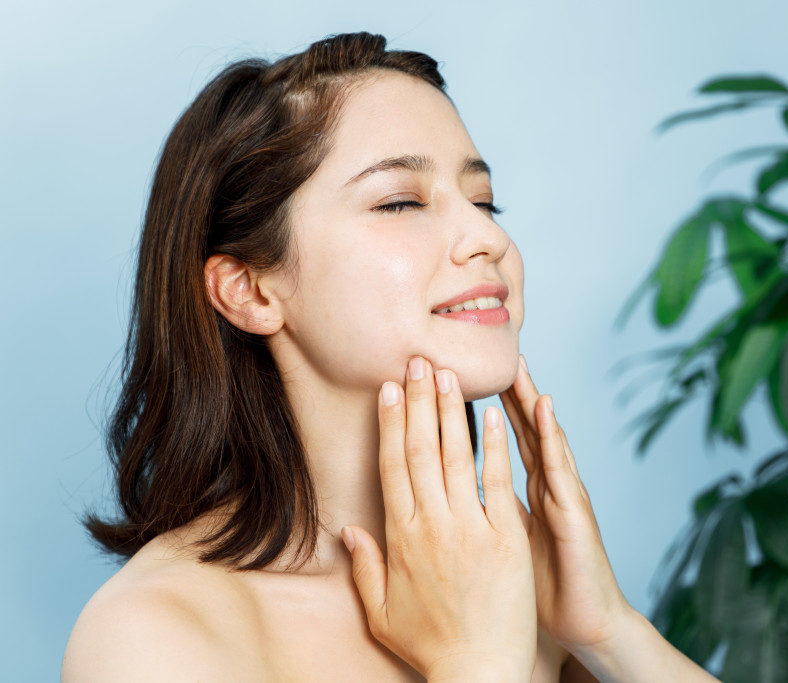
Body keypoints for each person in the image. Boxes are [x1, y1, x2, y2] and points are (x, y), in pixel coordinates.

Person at [60, 31, 719, 682]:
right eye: (400, 201)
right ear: (251, 289)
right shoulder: (153, 634)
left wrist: (608, 628)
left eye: (485, 201)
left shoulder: (514, 579)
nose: (486, 236)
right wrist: (477, 662)